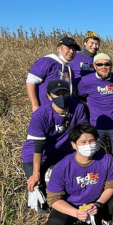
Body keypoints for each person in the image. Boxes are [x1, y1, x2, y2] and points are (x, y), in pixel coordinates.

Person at [45, 123, 113, 225]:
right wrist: (76, 212)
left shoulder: (106, 159)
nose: (88, 145)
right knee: (54, 224)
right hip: (73, 205)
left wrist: (99, 204)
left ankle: (105, 218)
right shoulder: (62, 167)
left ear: (97, 141)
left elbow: (111, 185)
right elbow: (53, 199)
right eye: (83, 142)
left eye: (91, 141)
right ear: (74, 145)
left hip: (97, 201)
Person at [21, 79, 88, 209]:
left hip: (63, 152)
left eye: (64, 93)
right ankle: (43, 214)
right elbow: (38, 146)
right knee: (37, 186)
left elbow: (82, 135)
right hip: (37, 153)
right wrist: (36, 173)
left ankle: (67, 209)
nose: (61, 97)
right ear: (49, 96)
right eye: (57, 94)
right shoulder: (41, 115)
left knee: (67, 181)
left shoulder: (78, 107)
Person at [77, 53, 113, 151]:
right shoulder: (86, 81)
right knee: (95, 154)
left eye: (107, 64)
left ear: (111, 65)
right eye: (99, 64)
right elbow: (80, 95)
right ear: (94, 66)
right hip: (97, 126)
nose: (104, 67)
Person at [26, 37, 80, 112]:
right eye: (68, 48)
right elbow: (30, 82)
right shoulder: (46, 62)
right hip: (46, 111)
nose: (71, 51)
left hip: (63, 112)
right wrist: (35, 105)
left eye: (74, 49)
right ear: (58, 48)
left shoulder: (70, 70)